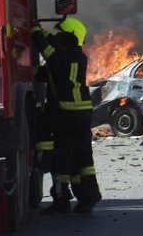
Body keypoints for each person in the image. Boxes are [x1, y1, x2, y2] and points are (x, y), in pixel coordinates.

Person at [32, 17, 102, 215]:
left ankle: (61, 200)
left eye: (61, 35)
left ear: (68, 39)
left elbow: (47, 50)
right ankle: (88, 197)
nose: (58, 38)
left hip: (66, 115)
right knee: (83, 159)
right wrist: (42, 31)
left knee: (61, 158)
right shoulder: (77, 57)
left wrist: (34, 31)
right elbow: (46, 70)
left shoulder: (61, 59)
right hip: (81, 115)